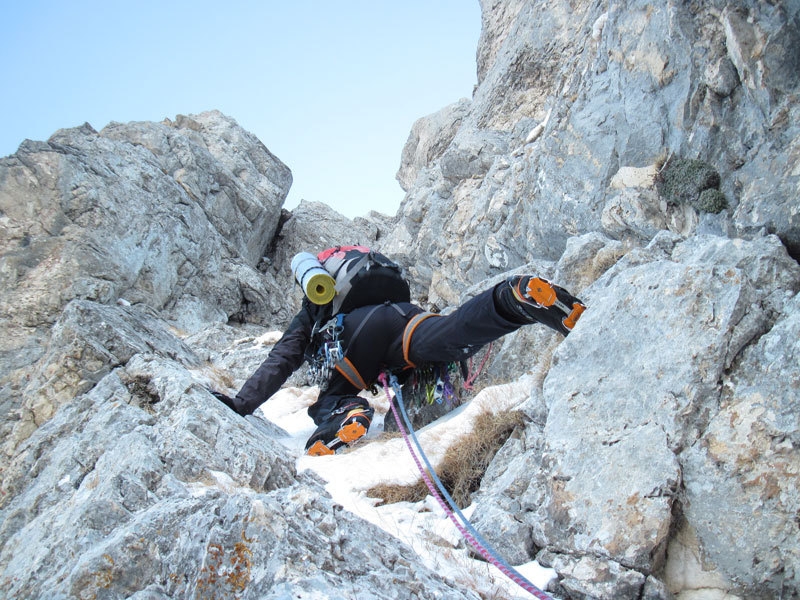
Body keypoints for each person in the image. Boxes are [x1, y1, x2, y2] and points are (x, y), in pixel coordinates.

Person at [213, 246, 586, 456]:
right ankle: (514, 297)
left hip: (357, 339)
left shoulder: (315, 307)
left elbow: (282, 359)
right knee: (452, 331)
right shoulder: (376, 285)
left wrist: (241, 404)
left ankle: (349, 413)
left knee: (327, 399)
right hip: (402, 318)